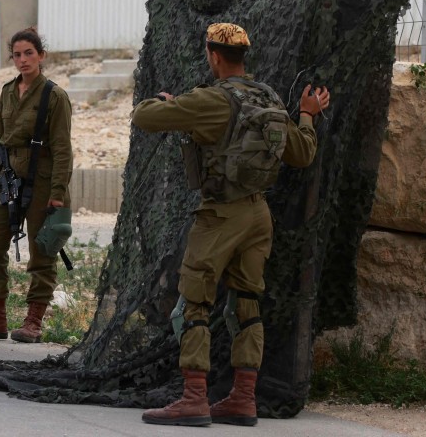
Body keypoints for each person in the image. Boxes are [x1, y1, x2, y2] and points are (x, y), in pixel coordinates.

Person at [133, 22, 330, 427]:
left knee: (194, 301)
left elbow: (144, 117)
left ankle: (193, 398)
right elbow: (302, 154)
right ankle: (243, 398)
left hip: (221, 214)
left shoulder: (210, 99)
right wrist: (308, 116)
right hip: (259, 215)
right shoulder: (268, 97)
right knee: (246, 304)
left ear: (213, 55)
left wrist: (164, 101)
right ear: (244, 56)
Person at [0, 27, 73, 344]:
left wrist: (58, 194)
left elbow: (63, 150)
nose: (23, 60)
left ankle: (34, 320)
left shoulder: (54, 96)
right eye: (17, 55)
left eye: (29, 53)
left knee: (42, 254)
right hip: (8, 180)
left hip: (43, 182)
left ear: (41, 56)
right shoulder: (8, 91)